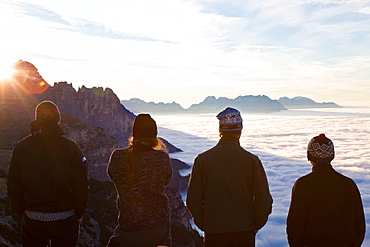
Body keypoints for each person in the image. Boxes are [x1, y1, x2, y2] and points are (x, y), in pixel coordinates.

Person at [186, 107, 273, 247]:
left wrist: (204, 223)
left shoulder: (202, 160)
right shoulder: (251, 161)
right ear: (240, 131)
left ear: (220, 131)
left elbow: (193, 199)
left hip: (213, 231)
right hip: (244, 231)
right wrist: (256, 224)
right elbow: (264, 199)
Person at [7, 100, 89, 246]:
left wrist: (21, 212)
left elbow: (14, 184)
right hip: (65, 218)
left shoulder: (22, 147)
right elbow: (81, 185)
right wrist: (79, 213)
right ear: (57, 120)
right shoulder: (70, 148)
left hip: (33, 219)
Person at [286, 133, 366, 247]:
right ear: (332, 156)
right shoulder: (348, 184)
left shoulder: (302, 185)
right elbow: (359, 226)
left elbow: (295, 225)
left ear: (309, 156)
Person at [106, 114, 173, 247]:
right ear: (154, 137)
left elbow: (112, 176)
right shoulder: (161, 158)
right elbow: (166, 180)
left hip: (128, 227)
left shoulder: (117, 157)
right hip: (158, 228)